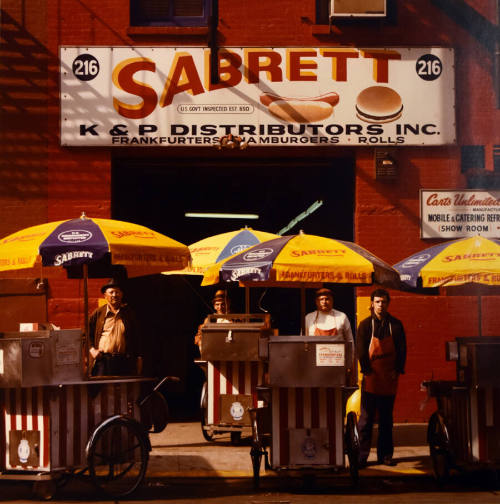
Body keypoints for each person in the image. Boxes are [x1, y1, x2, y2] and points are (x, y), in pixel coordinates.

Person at [356, 288, 406, 468]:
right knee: (366, 419)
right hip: (371, 377)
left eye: (383, 302)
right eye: (377, 302)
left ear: (388, 303)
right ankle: (362, 456)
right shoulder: (365, 325)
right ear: (372, 304)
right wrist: (367, 370)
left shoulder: (396, 325)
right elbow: (361, 350)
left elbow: (402, 350)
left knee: (386, 420)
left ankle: (385, 456)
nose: (380, 305)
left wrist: (398, 370)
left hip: (389, 378)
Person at [89, 278, 143, 376]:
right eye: (111, 292)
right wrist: (92, 350)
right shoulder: (98, 313)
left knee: (122, 390)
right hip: (103, 360)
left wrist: (138, 358)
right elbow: (86, 335)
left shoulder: (129, 314)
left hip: (124, 361)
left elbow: (137, 337)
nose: (114, 295)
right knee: (101, 389)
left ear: (121, 294)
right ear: (105, 296)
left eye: (117, 292)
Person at [304, 287, 354, 377]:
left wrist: (349, 364)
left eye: (327, 299)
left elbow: (350, 342)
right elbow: (304, 343)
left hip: (337, 365)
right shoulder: (309, 318)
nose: (324, 302)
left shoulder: (341, 317)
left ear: (332, 300)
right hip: (315, 366)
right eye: (321, 299)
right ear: (316, 301)